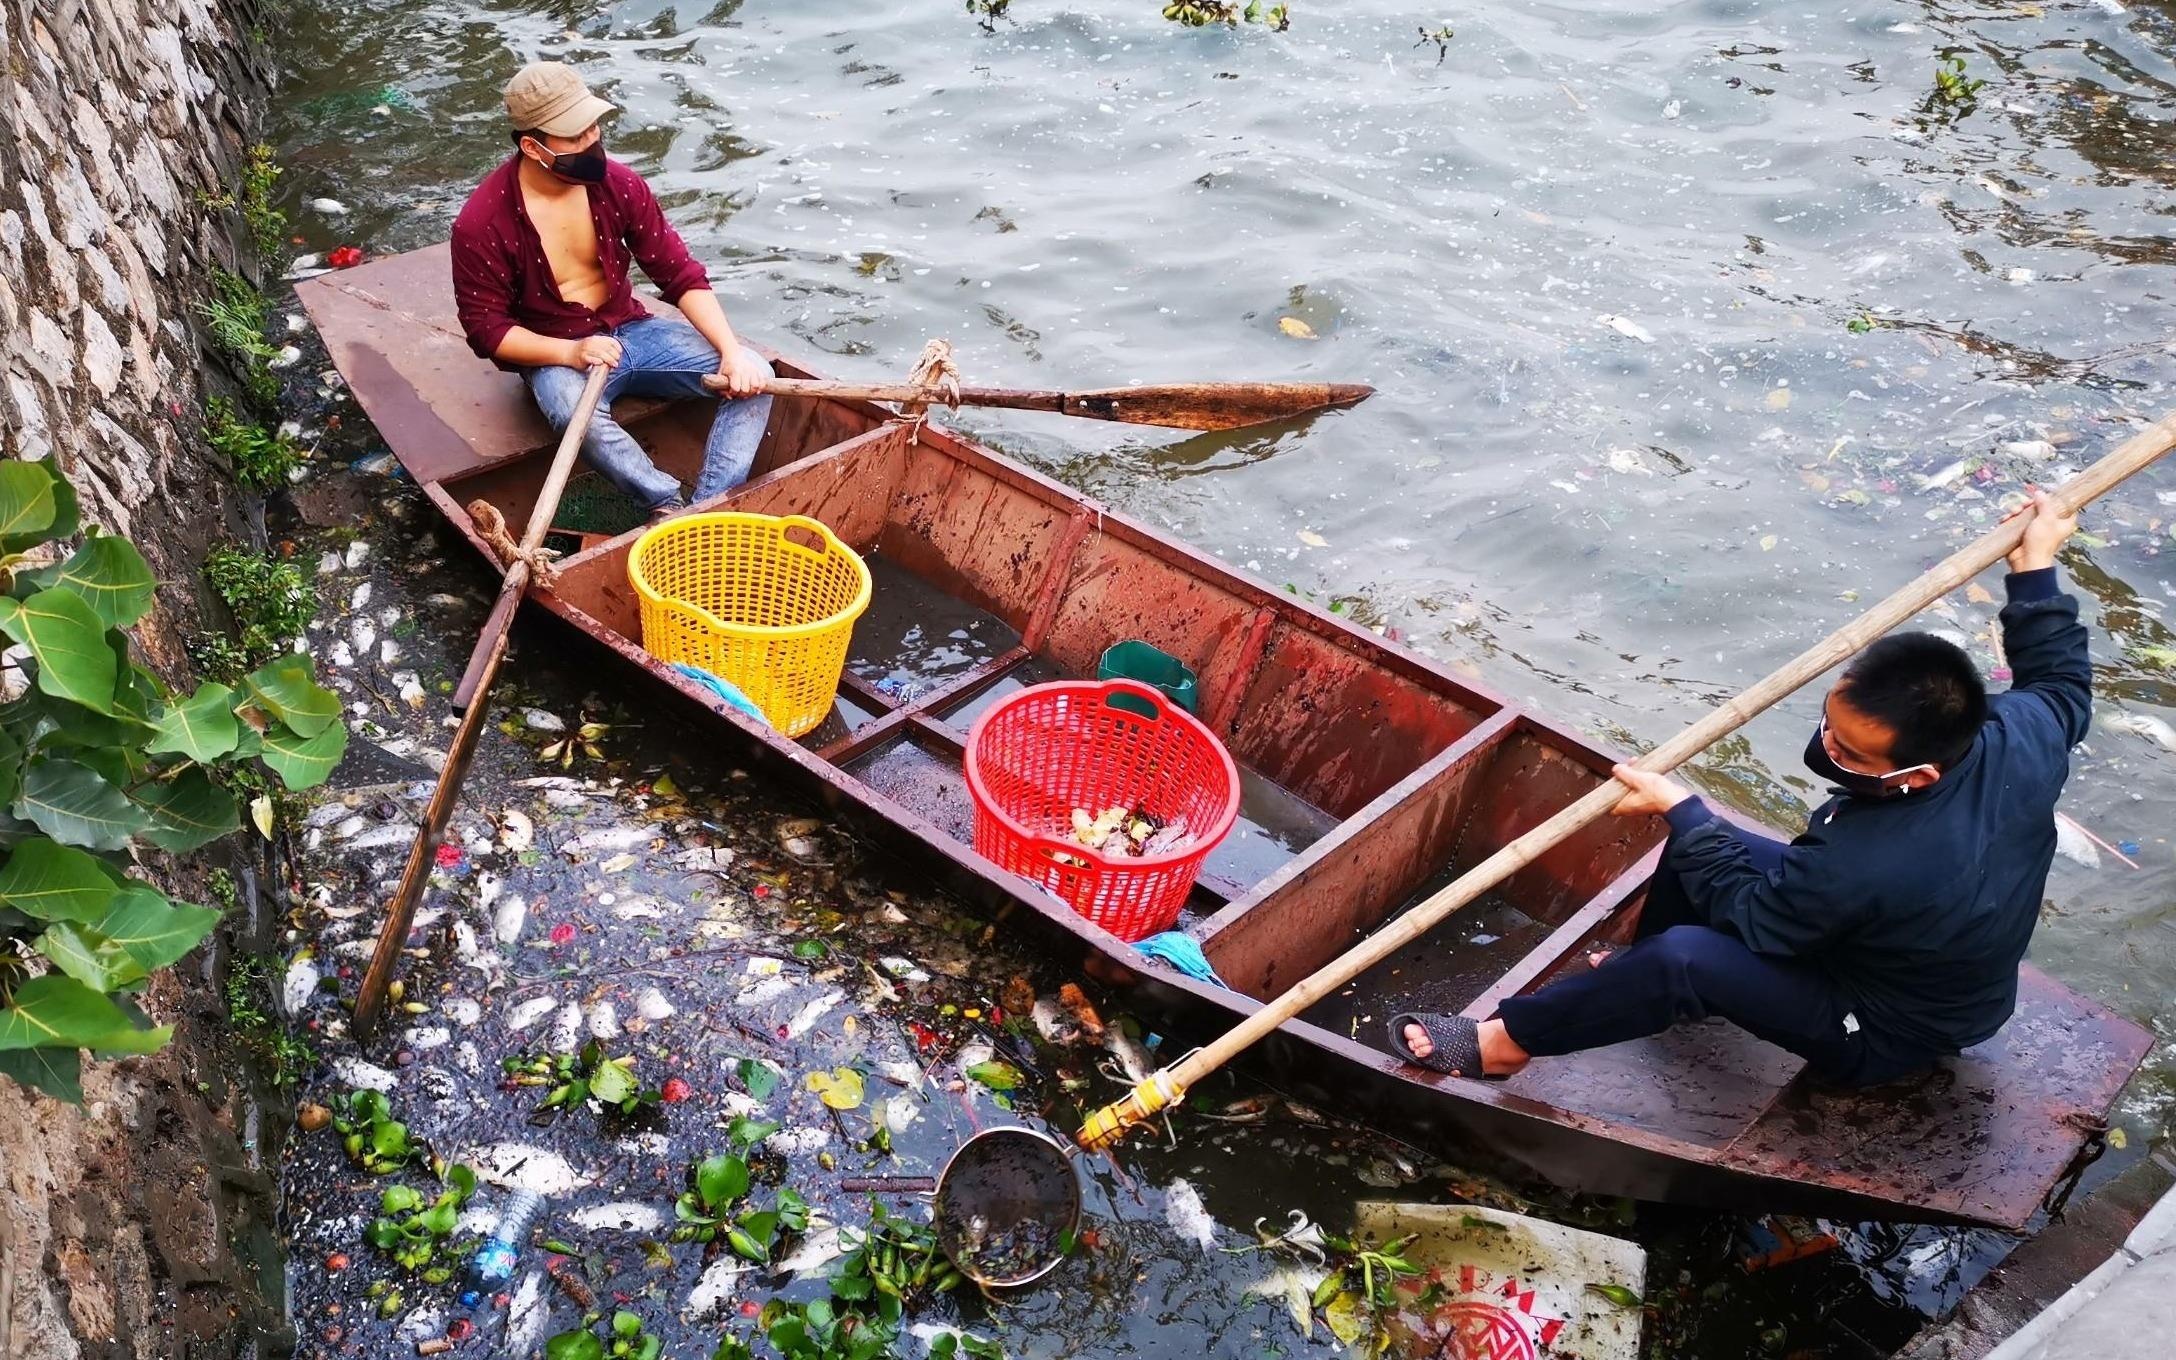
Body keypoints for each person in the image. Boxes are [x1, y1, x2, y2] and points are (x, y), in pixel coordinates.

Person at [1390, 487, 2090, 1088]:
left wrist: (1685, 812)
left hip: (1885, 1023)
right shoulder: (2027, 729)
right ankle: (1632, 977)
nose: (1828, 747)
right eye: (1830, 723)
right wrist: (2035, 566)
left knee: (1685, 946)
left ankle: (1504, 1046)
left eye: (1849, 751)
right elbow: (2060, 678)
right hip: (1905, 938)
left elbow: (1759, 916)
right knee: (1694, 851)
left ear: (1920, 774)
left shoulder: (1868, 861)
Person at [451, 61, 774, 522]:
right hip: (559, 350)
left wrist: (730, 352)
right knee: (570, 411)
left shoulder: (618, 184)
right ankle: (663, 500)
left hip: (632, 332)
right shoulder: (482, 223)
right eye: (574, 136)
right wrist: (571, 352)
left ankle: (707, 510)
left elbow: (678, 272)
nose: (591, 142)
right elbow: (487, 331)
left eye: (593, 128)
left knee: (757, 374)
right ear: (533, 146)